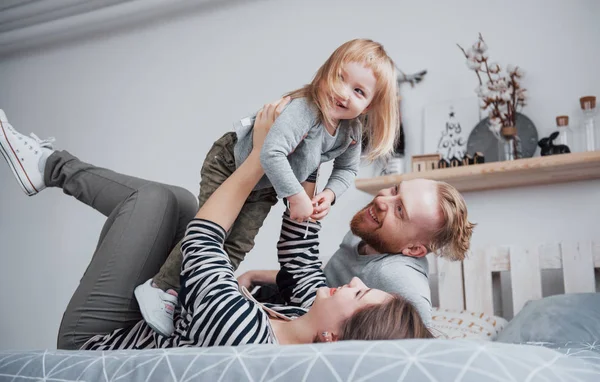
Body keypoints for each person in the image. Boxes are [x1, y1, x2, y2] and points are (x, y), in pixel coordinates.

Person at [0, 103, 432, 350]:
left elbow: (204, 241)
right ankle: (45, 166)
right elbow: (300, 253)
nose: (351, 283)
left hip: (93, 344)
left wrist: (260, 154)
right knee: (178, 202)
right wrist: (314, 147)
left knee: (156, 202)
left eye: (357, 294)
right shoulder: (303, 315)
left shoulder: (244, 336)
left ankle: (46, 165)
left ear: (333, 337)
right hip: (150, 319)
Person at [134, 38, 402, 336]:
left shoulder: (350, 131)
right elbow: (270, 152)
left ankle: (185, 295)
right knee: (210, 231)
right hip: (231, 161)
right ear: (326, 71)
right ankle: (162, 288)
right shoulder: (306, 110)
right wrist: (297, 195)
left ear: (370, 105)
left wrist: (330, 193)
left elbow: (347, 169)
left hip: (267, 184)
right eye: (340, 77)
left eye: (359, 91)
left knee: (238, 243)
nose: (343, 92)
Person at [239, 175, 475, 326]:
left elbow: (422, 346)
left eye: (400, 210)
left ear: (413, 249)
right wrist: (255, 275)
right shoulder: (367, 231)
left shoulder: (398, 276)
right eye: (395, 191)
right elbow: (318, 274)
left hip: (303, 320)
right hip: (295, 296)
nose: (383, 200)